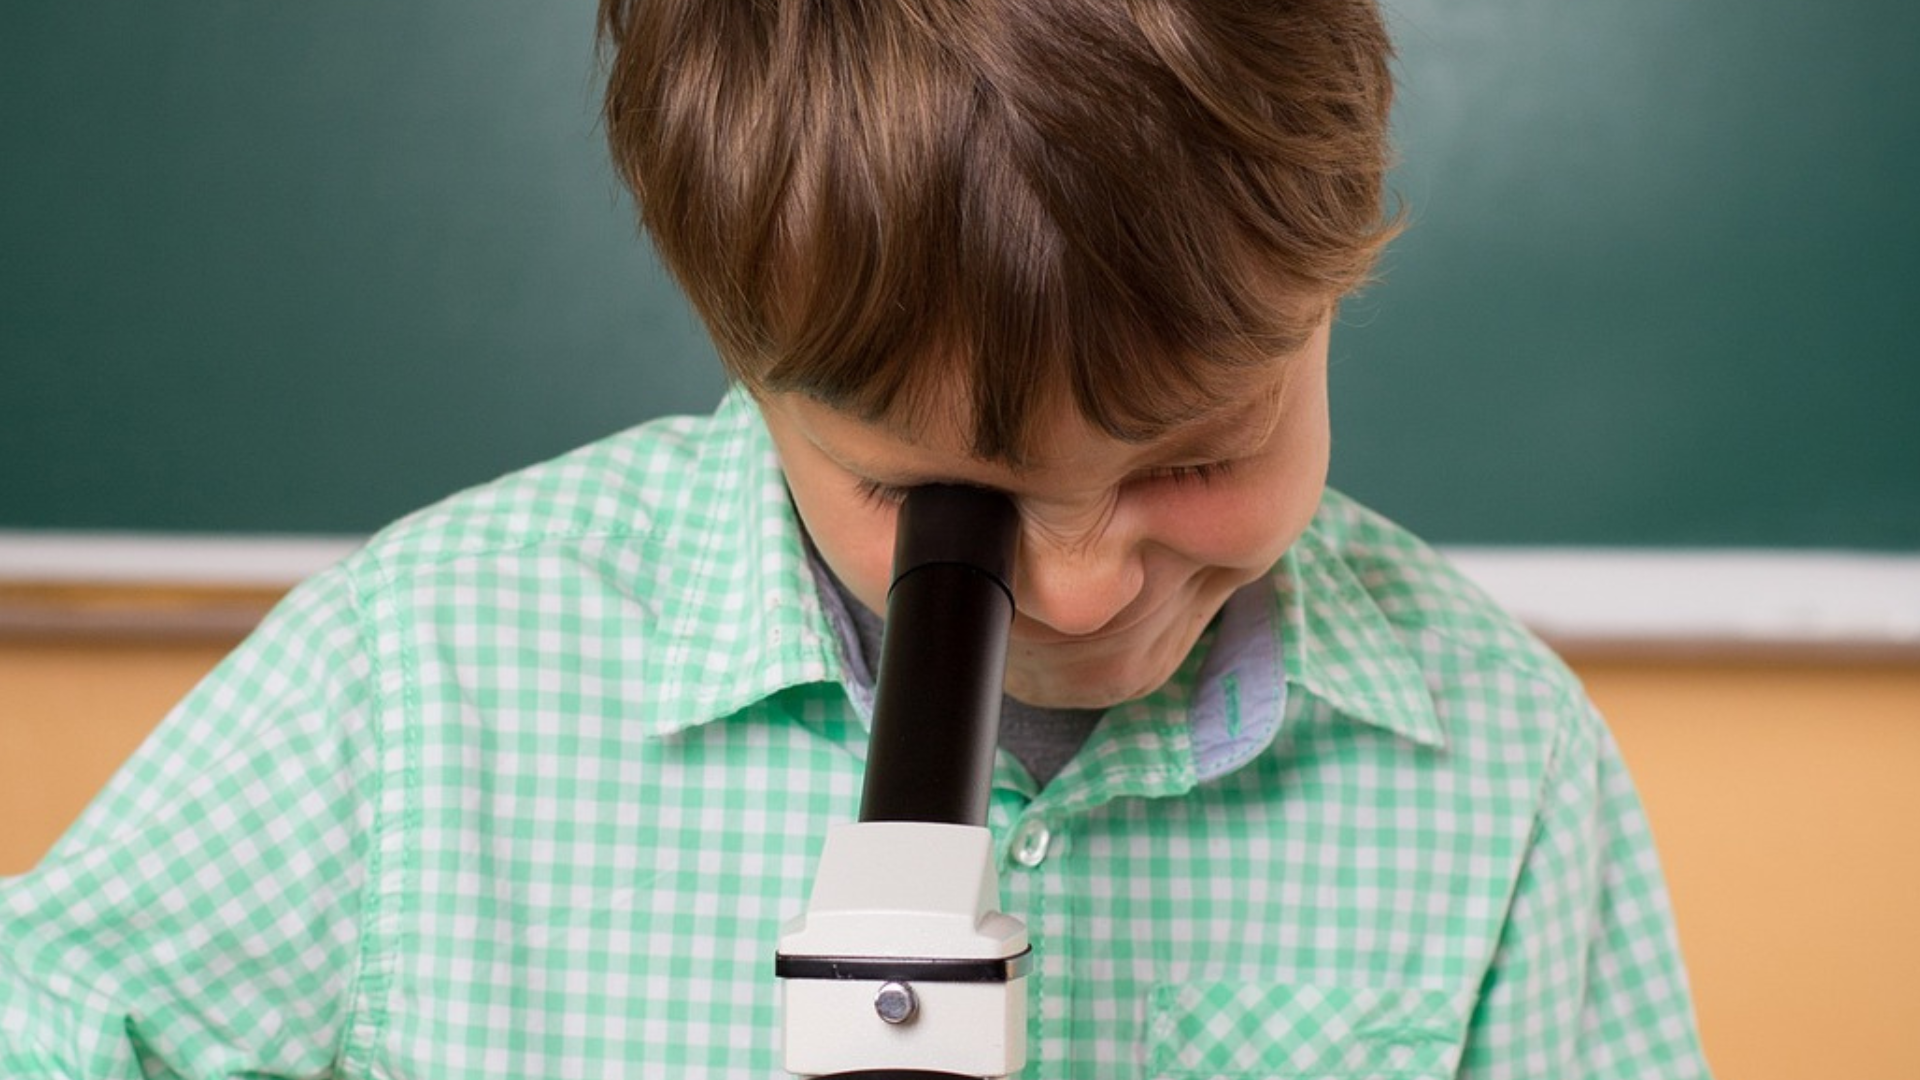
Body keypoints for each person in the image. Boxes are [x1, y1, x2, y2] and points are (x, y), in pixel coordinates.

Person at [0, 0, 1712, 1076]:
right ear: (755, 369)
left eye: (1197, 454)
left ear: (1330, 295)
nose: (1085, 584)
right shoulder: (421, 686)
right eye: (938, 501)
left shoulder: (1500, 770)